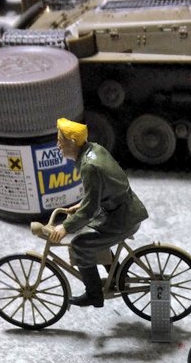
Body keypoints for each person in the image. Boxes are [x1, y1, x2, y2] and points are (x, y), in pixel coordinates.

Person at [49, 119, 149, 307]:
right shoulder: (94, 149)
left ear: (72, 142)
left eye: (60, 141)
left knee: (80, 245)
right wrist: (82, 204)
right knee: (91, 234)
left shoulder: (89, 166)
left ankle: (94, 295)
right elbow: (103, 188)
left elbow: (90, 210)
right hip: (124, 209)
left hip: (121, 218)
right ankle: (118, 277)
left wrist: (65, 227)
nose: (57, 145)